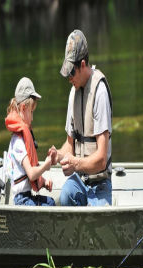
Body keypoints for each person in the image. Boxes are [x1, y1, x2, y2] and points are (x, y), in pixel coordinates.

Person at [49, 29, 112, 206]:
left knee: (97, 224)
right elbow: (70, 145)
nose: (69, 78)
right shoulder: (73, 92)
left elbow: (100, 160)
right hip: (81, 181)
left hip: (100, 183)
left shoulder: (99, 92)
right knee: (65, 195)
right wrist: (58, 155)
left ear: (83, 64)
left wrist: (76, 164)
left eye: (72, 73)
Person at [5, 77, 55, 206]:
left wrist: (43, 182)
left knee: (51, 202)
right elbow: (31, 174)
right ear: (23, 108)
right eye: (31, 112)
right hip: (22, 200)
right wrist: (46, 165)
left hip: (26, 196)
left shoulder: (22, 137)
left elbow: (30, 175)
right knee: (50, 207)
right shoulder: (18, 142)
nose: (32, 118)